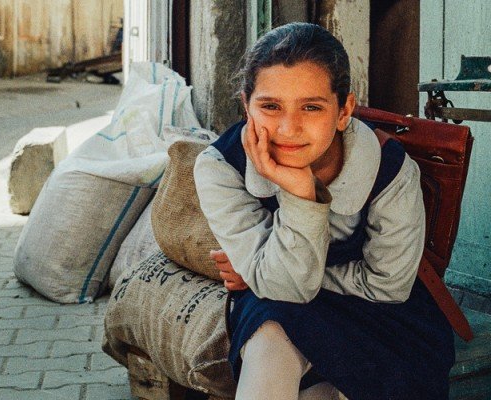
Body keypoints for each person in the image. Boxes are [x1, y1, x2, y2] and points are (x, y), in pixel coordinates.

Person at [193, 22, 455, 399]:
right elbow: (286, 289)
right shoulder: (221, 167)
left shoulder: (390, 169)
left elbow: (388, 285)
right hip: (279, 306)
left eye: (312, 107)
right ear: (245, 105)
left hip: (380, 315)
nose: (288, 128)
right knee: (269, 334)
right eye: (270, 106)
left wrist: (261, 272)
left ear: (344, 109)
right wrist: (300, 193)